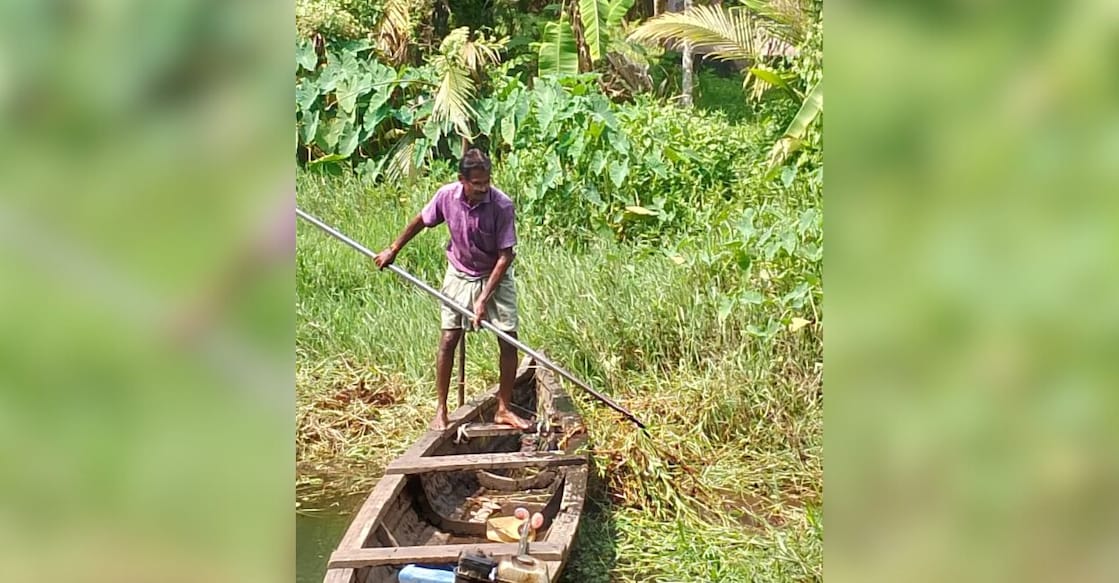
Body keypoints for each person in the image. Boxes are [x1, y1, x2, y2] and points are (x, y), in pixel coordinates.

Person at [374, 149, 532, 431]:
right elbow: (421, 221)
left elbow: (506, 256)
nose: (483, 188)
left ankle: (504, 408)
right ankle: (442, 409)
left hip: (494, 273)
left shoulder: (502, 205)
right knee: (449, 339)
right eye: (477, 184)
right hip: (460, 271)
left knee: (508, 340)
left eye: (487, 182)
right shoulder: (447, 196)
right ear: (462, 180)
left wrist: (484, 299)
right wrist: (393, 249)